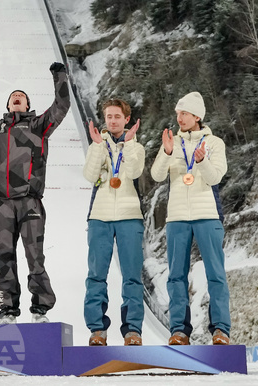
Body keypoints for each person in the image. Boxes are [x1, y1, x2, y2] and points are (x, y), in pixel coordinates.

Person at [0, 62, 71, 323]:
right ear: (8, 105)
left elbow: (62, 106)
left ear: (27, 105)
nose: (17, 98)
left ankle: (40, 310)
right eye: (13, 97)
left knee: (35, 257)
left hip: (30, 203)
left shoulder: (38, 126)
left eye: (21, 97)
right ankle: (7, 310)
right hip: (2, 203)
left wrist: (59, 77)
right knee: (4, 257)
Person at [150, 92, 231, 346]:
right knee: (176, 276)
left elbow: (215, 177)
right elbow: (156, 174)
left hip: (207, 214)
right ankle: (179, 331)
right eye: (177, 113)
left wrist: (202, 161)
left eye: (184, 113)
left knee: (216, 273)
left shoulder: (214, 143)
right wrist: (166, 151)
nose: (179, 117)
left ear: (197, 116)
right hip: (177, 218)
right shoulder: (172, 142)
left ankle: (220, 330)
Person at [82, 98, 145, 346]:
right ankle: (97, 330)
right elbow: (89, 175)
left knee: (132, 276)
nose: (112, 121)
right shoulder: (96, 145)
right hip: (100, 216)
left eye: (117, 116)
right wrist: (98, 146)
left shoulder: (136, 148)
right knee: (96, 275)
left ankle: (132, 331)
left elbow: (134, 172)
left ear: (126, 119)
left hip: (130, 215)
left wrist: (128, 144)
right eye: (108, 116)